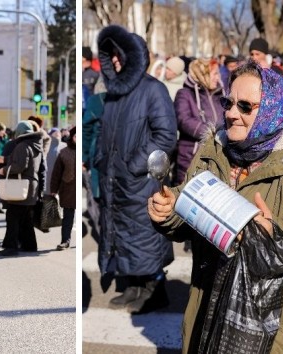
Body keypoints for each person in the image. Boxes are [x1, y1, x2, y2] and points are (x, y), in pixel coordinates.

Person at [148, 60, 283, 353]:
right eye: (228, 102)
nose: (230, 113)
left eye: (245, 106)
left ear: (271, 110)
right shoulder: (214, 151)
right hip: (210, 315)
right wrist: (171, 207)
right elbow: (194, 202)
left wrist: (273, 238)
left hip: (276, 333)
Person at [95, 25, 177, 313]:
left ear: (133, 55)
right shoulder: (115, 94)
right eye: (112, 56)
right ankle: (133, 286)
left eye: (119, 55)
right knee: (123, 234)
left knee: (145, 234)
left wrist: (134, 165)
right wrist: (102, 161)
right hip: (115, 181)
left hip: (140, 180)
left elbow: (165, 136)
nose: (115, 61)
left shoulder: (153, 89)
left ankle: (155, 289)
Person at [174, 57, 224, 184]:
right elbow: (183, 120)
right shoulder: (185, 93)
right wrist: (212, 133)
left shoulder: (220, 95)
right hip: (190, 158)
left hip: (216, 157)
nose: (218, 77)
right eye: (215, 73)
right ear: (203, 74)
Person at [0, 121, 43, 257]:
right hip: (32, 187)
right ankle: (30, 245)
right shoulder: (35, 145)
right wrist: (5, 159)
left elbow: (19, 166)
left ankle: (11, 247)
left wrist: (3, 170)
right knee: (26, 219)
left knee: (12, 217)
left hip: (21, 188)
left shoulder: (22, 146)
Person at [50, 126, 76, 250]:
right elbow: (57, 173)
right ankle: (65, 241)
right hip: (68, 189)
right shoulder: (64, 152)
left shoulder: (87, 151)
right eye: (76, 136)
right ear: (72, 137)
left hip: (83, 188)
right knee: (68, 217)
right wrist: (53, 190)